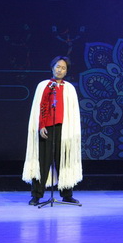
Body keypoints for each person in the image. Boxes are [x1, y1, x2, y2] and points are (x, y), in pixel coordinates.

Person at [23, 56, 82, 205]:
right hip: (46, 129)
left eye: (63, 68)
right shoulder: (43, 85)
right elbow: (39, 108)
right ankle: (37, 195)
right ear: (52, 68)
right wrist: (41, 125)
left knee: (64, 160)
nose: (60, 70)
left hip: (64, 129)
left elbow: (73, 112)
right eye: (58, 67)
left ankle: (67, 194)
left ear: (66, 71)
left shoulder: (69, 88)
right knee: (42, 161)